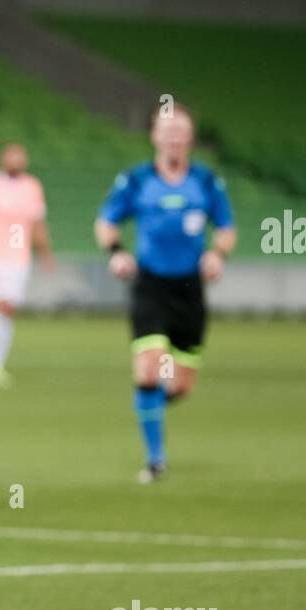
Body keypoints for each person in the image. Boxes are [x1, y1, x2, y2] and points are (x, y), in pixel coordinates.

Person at [94, 102, 236, 483]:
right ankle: (155, 460)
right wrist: (117, 252)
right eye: (168, 131)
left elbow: (226, 227)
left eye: (181, 132)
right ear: (155, 136)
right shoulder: (136, 180)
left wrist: (217, 254)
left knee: (182, 385)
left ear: (190, 138)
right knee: (149, 368)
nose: (175, 138)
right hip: (150, 285)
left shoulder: (206, 182)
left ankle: (149, 404)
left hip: (190, 290)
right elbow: (106, 222)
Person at [0, 143, 54, 388]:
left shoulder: (32, 186)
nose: (16, 160)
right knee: (1, 305)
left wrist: (46, 253)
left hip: (19, 257)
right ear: (2, 158)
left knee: (8, 308)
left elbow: (38, 223)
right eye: (12, 155)